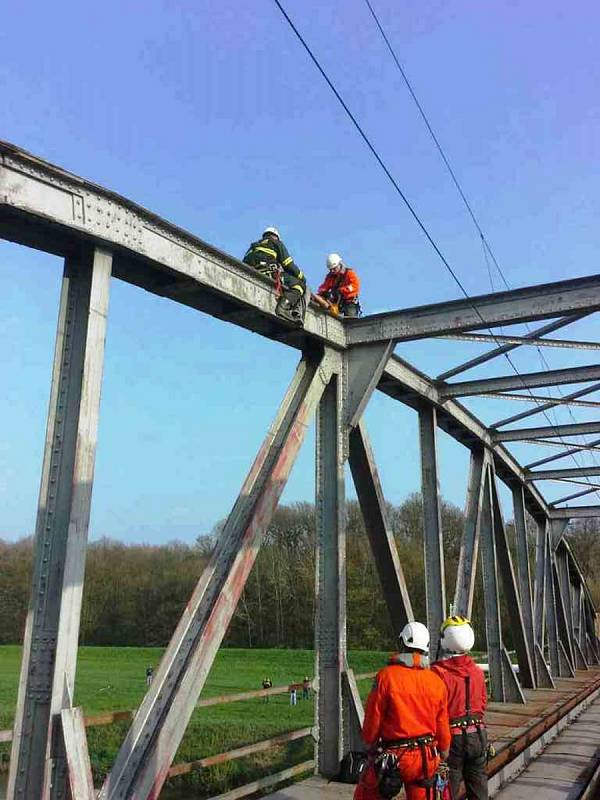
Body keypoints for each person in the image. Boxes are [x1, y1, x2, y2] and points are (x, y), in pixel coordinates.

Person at [356, 621, 451, 800]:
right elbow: (442, 723)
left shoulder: (386, 677)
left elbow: (374, 717)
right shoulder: (436, 681)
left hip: (395, 756)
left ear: (402, 643)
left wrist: (369, 744)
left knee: (367, 793)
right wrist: (444, 751)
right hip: (426, 757)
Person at [432, 616, 488, 800]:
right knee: (478, 789)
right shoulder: (477, 672)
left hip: (452, 739)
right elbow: (482, 703)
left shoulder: (438, 673)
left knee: (449, 791)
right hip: (478, 735)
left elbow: (434, 711)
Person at [243, 227, 307, 325]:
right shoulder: (276, 243)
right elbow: (288, 264)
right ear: (276, 237)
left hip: (253, 274)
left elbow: (244, 263)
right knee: (299, 285)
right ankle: (283, 308)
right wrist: (301, 277)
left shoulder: (253, 246)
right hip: (270, 273)